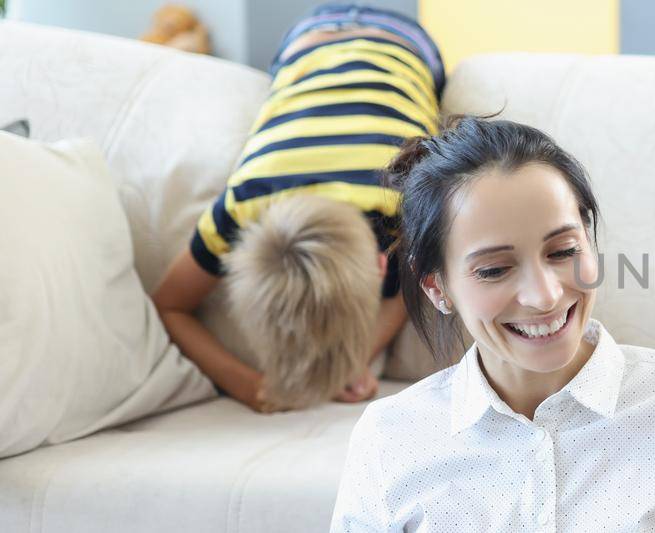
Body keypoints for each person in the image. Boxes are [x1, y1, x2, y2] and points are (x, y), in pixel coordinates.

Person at [330, 117, 655, 531]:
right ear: (436, 288)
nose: (544, 296)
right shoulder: (389, 438)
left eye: (563, 252)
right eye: (494, 270)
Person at [149, 3, 446, 412]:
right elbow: (168, 304)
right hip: (325, 41)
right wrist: (249, 385)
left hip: (389, 43)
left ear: (382, 265)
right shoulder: (242, 206)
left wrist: (355, 362)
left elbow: (407, 292)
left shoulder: (406, 205)